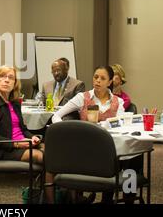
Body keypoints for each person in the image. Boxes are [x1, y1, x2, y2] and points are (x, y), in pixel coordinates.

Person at [46, 65, 125, 203]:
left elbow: (120, 124)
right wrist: (68, 130)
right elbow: (56, 115)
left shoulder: (118, 102)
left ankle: (106, 200)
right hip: (84, 148)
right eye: (95, 77)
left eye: (102, 78)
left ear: (110, 81)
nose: (98, 81)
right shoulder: (82, 97)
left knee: (120, 162)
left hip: (107, 148)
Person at [0, 65, 43, 164]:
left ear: (15, 83)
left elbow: (23, 129)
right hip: (4, 150)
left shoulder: (15, 103)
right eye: (2, 76)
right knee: (40, 156)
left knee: (52, 151)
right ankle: (50, 180)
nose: (7, 80)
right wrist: (17, 144)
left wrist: (32, 137)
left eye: (11, 77)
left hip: (23, 143)